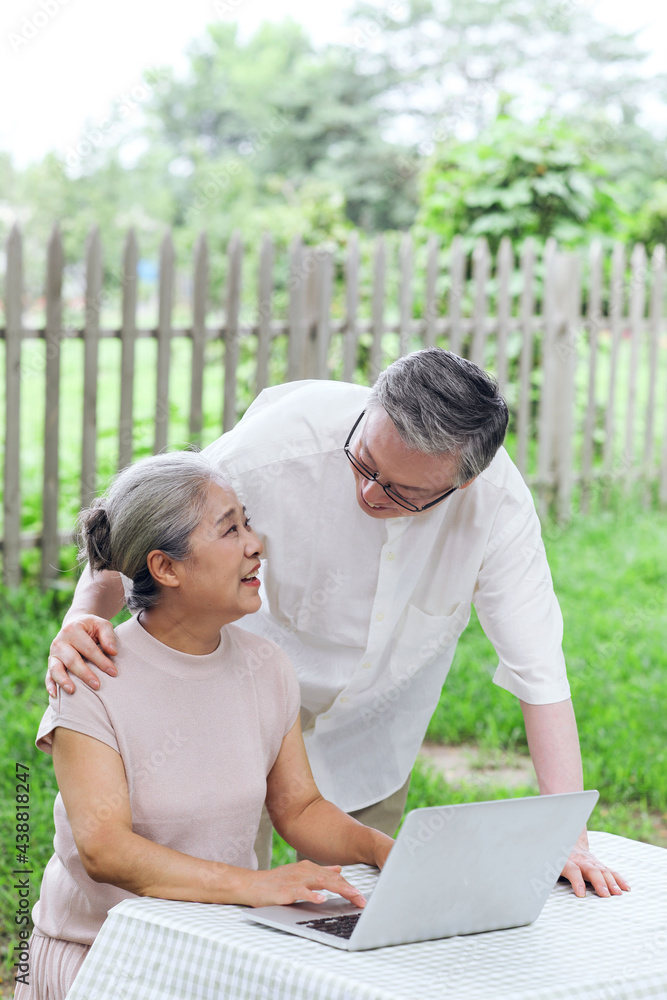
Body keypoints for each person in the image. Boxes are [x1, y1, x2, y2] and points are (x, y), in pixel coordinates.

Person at [46, 348, 629, 899]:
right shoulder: (278, 444)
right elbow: (143, 528)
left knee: (359, 918)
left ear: (462, 482)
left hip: (378, 728)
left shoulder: (498, 508)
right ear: (371, 409)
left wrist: (568, 834)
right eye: (364, 463)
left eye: (401, 491)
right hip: (237, 703)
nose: (369, 492)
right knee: (214, 886)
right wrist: (81, 620)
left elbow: (539, 670)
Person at [19, 452, 393, 1000]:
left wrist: (383, 850)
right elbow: (105, 850)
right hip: (106, 960)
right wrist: (256, 886)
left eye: (247, 521)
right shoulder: (92, 673)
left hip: (216, 950)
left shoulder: (265, 666)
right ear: (166, 568)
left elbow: (300, 808)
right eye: (230, 530)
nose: (255, 543)